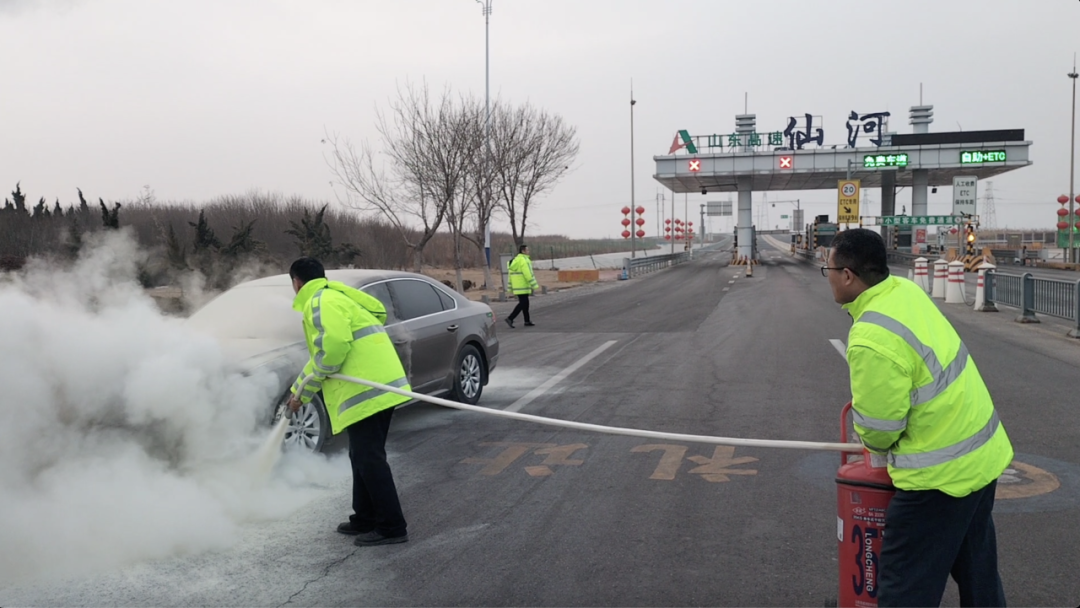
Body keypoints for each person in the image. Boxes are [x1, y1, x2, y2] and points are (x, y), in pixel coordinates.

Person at [824, 229, 1013, 607]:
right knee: (978, 575)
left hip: (938, 478)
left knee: (904, 587)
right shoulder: (905, 292)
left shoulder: (871, 337)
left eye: (827, 268)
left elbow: (879, 432)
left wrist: (866, 426)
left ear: (847, 275)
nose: (826, 275)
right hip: (981, 456)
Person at [286, 257, 411, 546]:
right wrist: (299, 392)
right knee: (361, 455)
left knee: (370, 459)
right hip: (381, 384)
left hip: (367, 391)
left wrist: (304, 391)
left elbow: (331, 351)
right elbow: (322, 356)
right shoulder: (338, 296)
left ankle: (392, 527)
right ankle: (365, 517)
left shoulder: (319, 302)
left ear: (296, 282)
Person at [505, 244, 539, 328]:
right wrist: (534, 284)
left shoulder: (515, 260)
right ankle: (510, 318)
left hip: (517, 286)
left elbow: (510, 275)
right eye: (527, 250)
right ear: (523, 251)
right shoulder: (524, 260)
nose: (528, 251)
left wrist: (510, 286)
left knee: (525, 303)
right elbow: (527, 273)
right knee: (523, 303)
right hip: (523, 285)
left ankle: (527, 321)